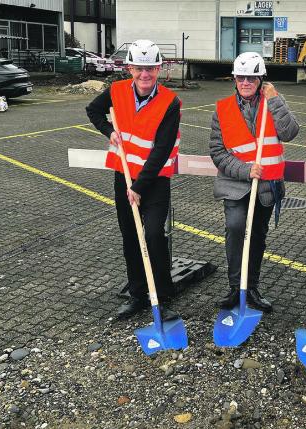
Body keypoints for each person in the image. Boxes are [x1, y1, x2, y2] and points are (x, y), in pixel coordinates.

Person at [85, 40, 181, 319]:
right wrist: (108, 130)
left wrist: (139, 187)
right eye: (139, 68)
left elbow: (162, 150)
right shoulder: (115, 91)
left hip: (154, 182)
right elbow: (92, 110)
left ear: (159, 69)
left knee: (152, 235)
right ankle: (138, 295)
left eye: (150, 68)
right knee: (130, 238)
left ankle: (161, 297)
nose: (144, 75)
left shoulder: (170, 102)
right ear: (129, 68)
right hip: (123, 177)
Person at [210, 52, 299, 313]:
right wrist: (244, 169)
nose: (246, 82)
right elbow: (217, 151)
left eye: (252, 77)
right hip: (236, 183)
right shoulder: (222, 108)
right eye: (241, 77)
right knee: (236, 228)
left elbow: (290, 132)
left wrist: (275, 101)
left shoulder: (272, 101)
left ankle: (252, 288)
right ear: (234, 78)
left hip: (266, 186)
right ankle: (235, 287)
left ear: (261, 79)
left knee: (257, 236)